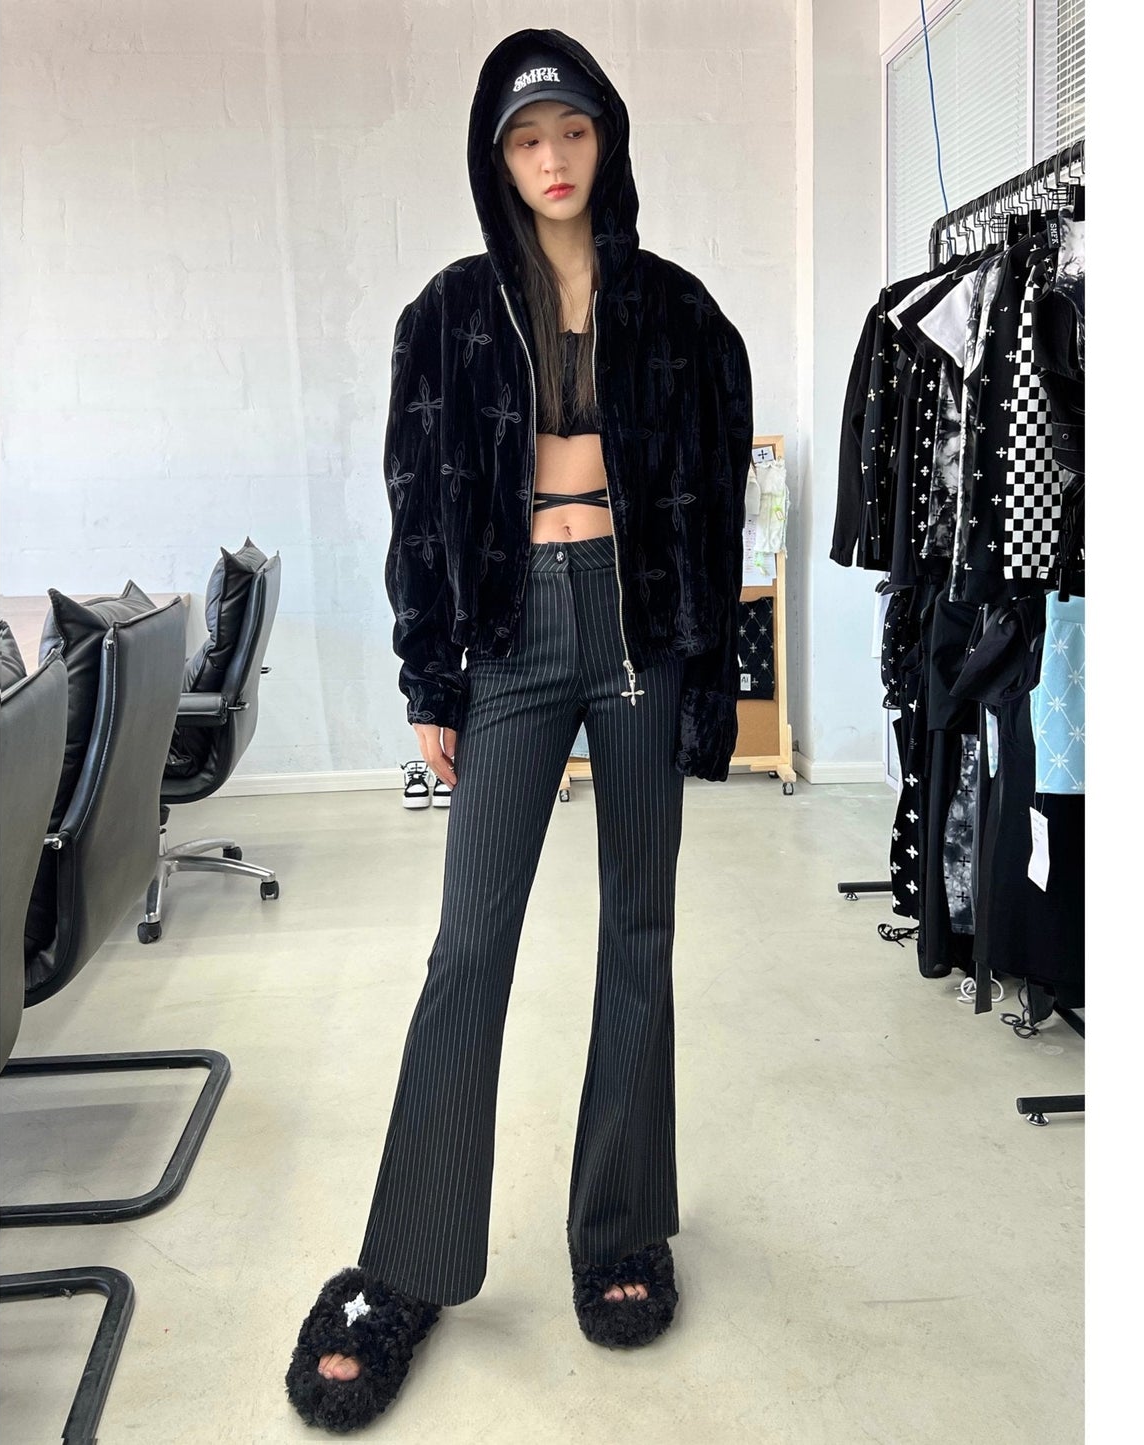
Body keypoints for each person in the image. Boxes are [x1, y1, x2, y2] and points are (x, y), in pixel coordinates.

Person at [285, 27, 754, 1434]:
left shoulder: (679, 313)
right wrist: (430, 678)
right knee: (468, 944)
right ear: (496, 157)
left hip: (637, 626)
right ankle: (406, 1263)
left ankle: (621, 1225)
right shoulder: (444, 313)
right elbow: (416, 502)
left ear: (608, 139)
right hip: (509, 633)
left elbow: (715, 508)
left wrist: (708, 675)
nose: (553, 160)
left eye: (574, 132)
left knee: (639, 928)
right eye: (526, 139)